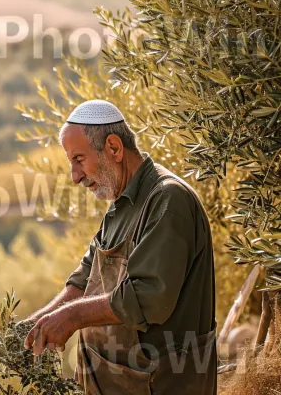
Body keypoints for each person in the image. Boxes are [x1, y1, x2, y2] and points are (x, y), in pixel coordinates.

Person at [22, 100, 217, 395]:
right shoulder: (121, 202)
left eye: (79, 159)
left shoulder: (168, 200)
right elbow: (85, 278)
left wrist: (71, 318)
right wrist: (39, 322)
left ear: (113, 148)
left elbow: (148, 298)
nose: (75, 177)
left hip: (162, 384)